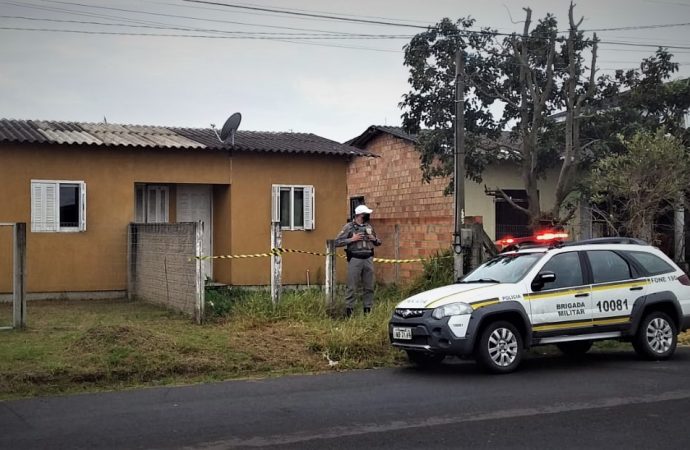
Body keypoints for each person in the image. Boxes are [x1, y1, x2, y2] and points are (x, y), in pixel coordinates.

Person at [334, 204, 382, 317]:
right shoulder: (349, 227)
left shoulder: (369, 227)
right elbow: (336, 242)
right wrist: (352, 239)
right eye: (366, 214)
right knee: (352, 287)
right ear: (360, 215)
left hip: (368, 259)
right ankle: (349, 312)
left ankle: (368, 311)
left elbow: (379, 242)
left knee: (369, 287)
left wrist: (374, 239)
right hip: (355, 259)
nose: (368, 216)